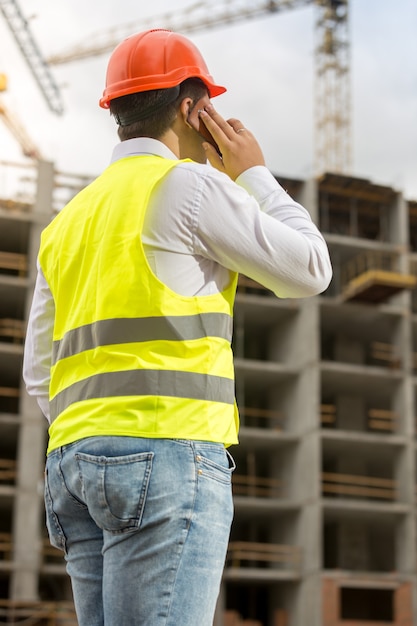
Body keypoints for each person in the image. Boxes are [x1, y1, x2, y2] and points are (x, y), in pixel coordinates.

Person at [23, 28, 332, 626]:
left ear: (116, 109)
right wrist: (254, 176)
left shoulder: (67, 220)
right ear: (193, 109)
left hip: (72, 464)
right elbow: (310, 269)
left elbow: (41, 369)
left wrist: (96, 431)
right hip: (167, 453)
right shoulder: (190, 186)